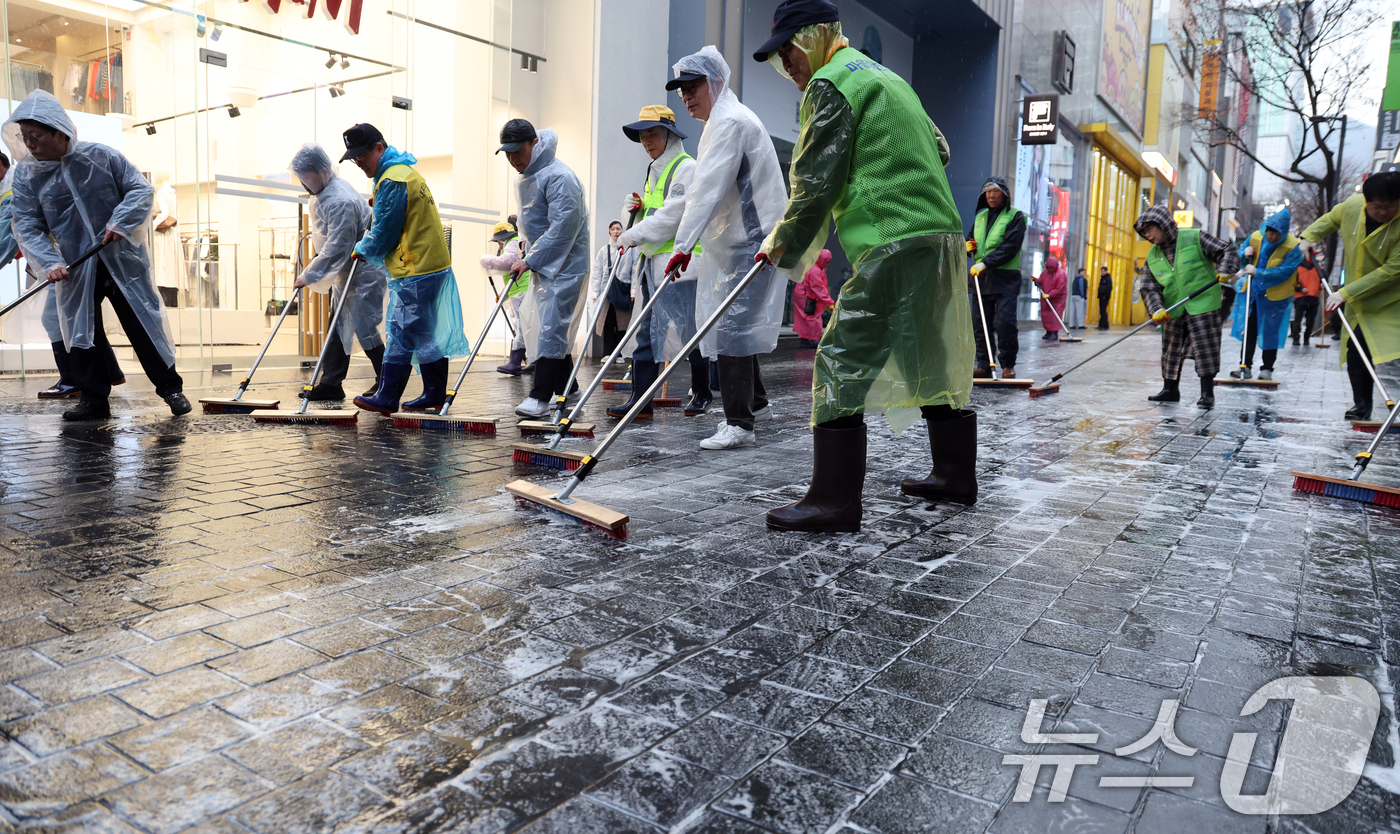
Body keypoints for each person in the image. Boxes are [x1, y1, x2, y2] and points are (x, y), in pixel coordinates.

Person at [752, 1, 976, 532]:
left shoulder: (831, 85)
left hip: (892, 236)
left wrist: (780, 245)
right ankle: (954, 476)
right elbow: (938, 148)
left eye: (790, 48)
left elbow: (814, 184)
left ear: (812, 37)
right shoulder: (887, 78)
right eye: (781, 56)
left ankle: (834, 501)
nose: (787, 63)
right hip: (938, 233)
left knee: (840, 353)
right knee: (931, 352)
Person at [4, 91, 187, 421]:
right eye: (25, 137)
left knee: (144, 324)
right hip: (73, 265)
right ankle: (93, 399)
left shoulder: (100, 157)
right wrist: (48, 262)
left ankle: (171, 389)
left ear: (59, 131)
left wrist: (121, 221)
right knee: (81, 331)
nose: (30, 144)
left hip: (121, 259)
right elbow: (27, 225)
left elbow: (139, 189)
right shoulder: (27, 177)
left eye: (36, 136)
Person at [665, 46, 788, 449]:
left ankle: (739, 423)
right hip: (747, 242)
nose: (686, 96)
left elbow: (705, 191)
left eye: (693, 85)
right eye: (681, 89)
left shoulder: (730, 122)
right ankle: (756, 402)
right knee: (737, 321)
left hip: (753, 243)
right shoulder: (723, 120)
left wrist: (682, 246)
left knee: (733, 325)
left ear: (716, 81)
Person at [344, 123, 470, 415]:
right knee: (424, 331)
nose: (359, 161)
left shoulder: (392, 179)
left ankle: (387, 395)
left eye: (361, 154)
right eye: (354, 157)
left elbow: (383, 235)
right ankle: (435, 394)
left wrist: (362, 248)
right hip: (430, 265)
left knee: (400, 329)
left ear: (379, 147)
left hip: (415, 268)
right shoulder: (405, 173)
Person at [611, 105, 714, 418]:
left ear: (669, 134)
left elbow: (672, 216)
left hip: (681, 265)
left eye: (652, 133)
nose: (646, 141)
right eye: (642, 136)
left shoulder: (686, 167)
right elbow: (650, 216)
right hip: (653, 264)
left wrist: (631, 235)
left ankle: (702, 392)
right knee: (647, 332)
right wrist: (631, 212)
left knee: (688, 331)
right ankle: (640, 401)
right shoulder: (654, 171)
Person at [499, 119, 590, 419]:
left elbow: (563, 227)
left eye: (518, 150)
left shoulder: (559, 177)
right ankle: (570, 387)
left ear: (534, 143)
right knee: (545, 327)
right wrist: (526, 249)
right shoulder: (526, 177)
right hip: (541, 261)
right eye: (508, 153)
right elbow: (531, 224)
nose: (513, 159)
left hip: (565, 264)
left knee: (550, 327)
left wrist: (531, 258)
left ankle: (540, 397)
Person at [1298, 170, 1400, 420]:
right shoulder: (1353, 206)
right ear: (1366, 201)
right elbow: (1331, 219)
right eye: (1378, 207)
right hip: (1358, 299)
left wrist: (1345, 292)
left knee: (1393, 348)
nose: (1384, 212)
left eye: (1391, 206)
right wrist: (1309, 236)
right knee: (1357, 350)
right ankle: (1362, 404)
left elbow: (1392, 271)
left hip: (1391, 299)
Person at [288, 143, 388, 401]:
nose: (303, 185)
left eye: (305, 178)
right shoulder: (326, 193)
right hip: (350, 271)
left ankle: (387, 379)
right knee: (338, 324)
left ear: (321, 171)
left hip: (363, 271)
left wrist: (308, 275)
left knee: (365, 326)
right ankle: (332, 383)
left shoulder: (339, 199)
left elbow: (337, 246)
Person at [1134, 206, 1238, 409]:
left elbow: (1227, 250)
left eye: (1150, 229)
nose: (1147, 235)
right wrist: (1156, 309)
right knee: (1170, 350)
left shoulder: (1194, 238)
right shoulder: (1152, 256)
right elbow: (1148, 287)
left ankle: (1207, 393)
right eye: (1143, 232)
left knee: (1205, 349)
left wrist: (1225, 270)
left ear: (1163, 224)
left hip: (1204, 303)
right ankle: (1170, 390)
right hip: (1173, 308)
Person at [1229, 208, 1300, 382]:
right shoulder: (1255, 238)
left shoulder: (1292, 247)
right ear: (1265, 229)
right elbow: (1238, 258)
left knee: (1270, 332)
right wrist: (1243, 254)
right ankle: (1244, 367)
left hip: (1276, 298)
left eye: (1277, 234)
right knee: (1249, 330)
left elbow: (1285, 272)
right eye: (1270, 232)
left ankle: (1267, 368)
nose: (1273, 237)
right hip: (1253, 294)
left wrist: (1259, 272)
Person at [967, 177, 1024, 378]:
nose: (991, 195)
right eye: (988, 192)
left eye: (995, 192)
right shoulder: (980, 216)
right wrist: (967, 246)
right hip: (981, 279)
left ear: (1005, 194)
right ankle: (984, 364)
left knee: (1004, 323)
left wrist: (985, 263)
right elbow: (972, 238)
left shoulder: (1015, 216)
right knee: (980, 323)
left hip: (1005, 278)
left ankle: (1008, 365)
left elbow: (1010, 247)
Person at [480, 219, 532, 375]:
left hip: (521, 291)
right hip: (519, 290)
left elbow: (508, 262)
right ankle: (531, 362)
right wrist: (503, 295)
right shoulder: (516, 242)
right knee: (524, 327)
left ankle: (515, 362)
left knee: (522, 327)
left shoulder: (512, 242)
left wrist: (485, 260)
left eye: (498, 242)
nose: (498, 245)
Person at [588, 220, 633, 359]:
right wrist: (595, 293)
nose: (616, 232)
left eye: (618, 229)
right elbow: (597, 272)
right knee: (608, 323)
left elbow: (634, 269)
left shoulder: (630, 250)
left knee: (622, 325)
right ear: (609, 232)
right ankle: (607, 353)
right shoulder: (604, 250)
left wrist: (634, 291)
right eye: (613, 229)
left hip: (622, 292)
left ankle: (619, 354)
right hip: (606, 292)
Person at [793, 248, 834, 348]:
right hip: (806, 296)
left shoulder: (817, 266)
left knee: (807, 317)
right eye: (826, 262)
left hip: (806, 295)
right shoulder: (815, 270)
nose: (827, 265)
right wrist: (829, 303)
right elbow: (818, 288)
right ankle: (811, 340)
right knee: (811, 317)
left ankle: (807, 339)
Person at [1291, 253, 1321, 346]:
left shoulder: (1319, 268)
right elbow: (1292, 282)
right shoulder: (1297, 268)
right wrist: (1300, 288)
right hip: (1301, 297)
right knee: (1298, 320)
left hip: (1314, 297)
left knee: (1311, 320)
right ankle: (1296, 337)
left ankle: (1306, 338)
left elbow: (1325, 280)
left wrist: (1323, 285)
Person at [1036, 255, 1068, 342]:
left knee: (1055, 315)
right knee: (1046, 315)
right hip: (1046, 297)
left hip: (1057, 299)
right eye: (1048, 268)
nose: (1049, 270)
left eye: (1051, 268)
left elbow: (1060, 288)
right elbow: (1042, 280)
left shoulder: (1061, 274)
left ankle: (1054, 333)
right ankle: (1048, 332)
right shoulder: (1045, 272)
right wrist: (1036, 281)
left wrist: (1050, 294)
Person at [1096, 265, 1114, 330]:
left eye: (1103, 271)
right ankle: (1104, 324)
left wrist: (1105, 295)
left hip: (1104, 297)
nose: (1102, 272)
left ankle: (1103, 325)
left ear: (1106, 271)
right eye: (1101, 271)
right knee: (1102, 311)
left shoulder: (1107, 278)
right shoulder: (1102, 278)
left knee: (1103, 311)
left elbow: (1109, 288)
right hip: (1101, 296)